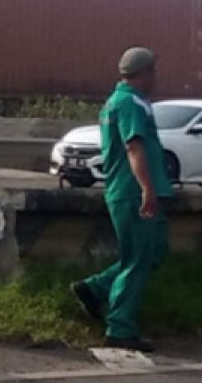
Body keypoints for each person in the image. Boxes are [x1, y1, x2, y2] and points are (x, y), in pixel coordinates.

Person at [71, 47, 172, 352]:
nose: (156, 77)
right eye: (153, 71)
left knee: (152, 253)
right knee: (138, 259)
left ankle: (95, 288)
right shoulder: (129, 103)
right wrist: (147, 189)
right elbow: (134, 147)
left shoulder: (124, 101)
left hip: (132, 191)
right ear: (145, 72)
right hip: (132, 192)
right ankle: (120, 326)